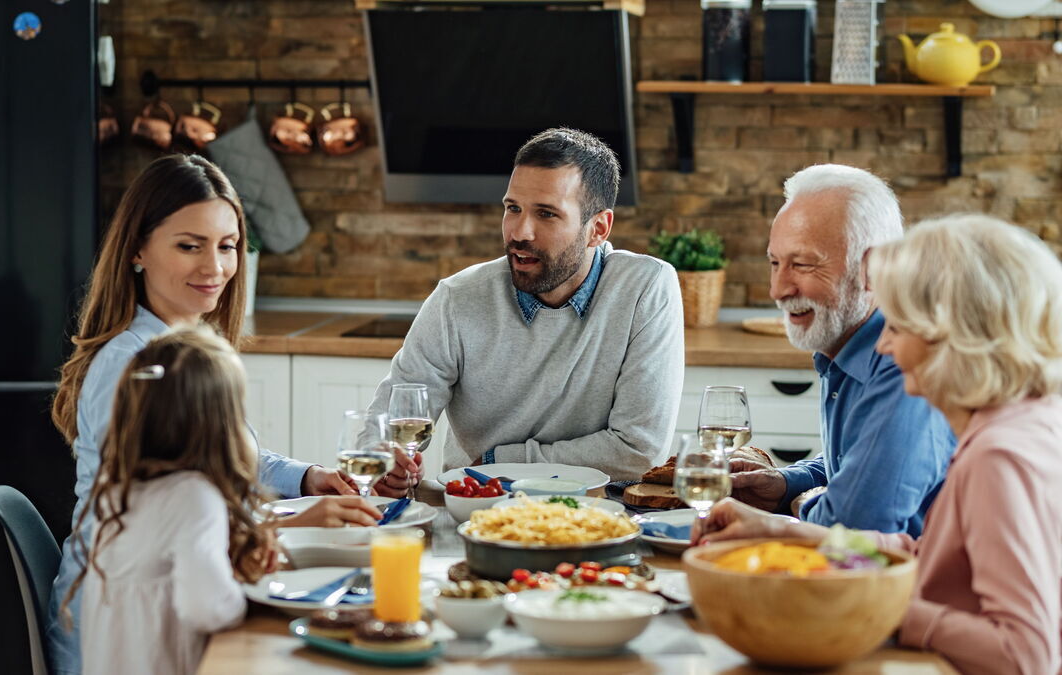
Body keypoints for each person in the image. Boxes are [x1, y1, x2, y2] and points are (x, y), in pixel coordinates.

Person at [46, 155, 385, 674]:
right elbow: (161, 518)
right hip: (121, 633)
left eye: (227, 246)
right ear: (137, 248)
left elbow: (225, 457)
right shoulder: (136, 367)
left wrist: (308, 479)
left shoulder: (180, 345)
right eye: (190, 245)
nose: (215, 267)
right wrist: (294, 521)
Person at [693, 214, 1062, 675]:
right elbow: (922, 555)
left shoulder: (999, 456)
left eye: (898, 326)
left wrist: (880, 609)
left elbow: (1025, 655)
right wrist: (784, 532)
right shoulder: (1017, 422)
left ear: (953, 337)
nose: (884, 345)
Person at [367, 127, 684, 489]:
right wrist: (386, 463)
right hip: (475, 510)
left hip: (600, 516)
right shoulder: (457, 297)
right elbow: (390, 423)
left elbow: (639, 452)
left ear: (598, 228)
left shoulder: (645, 287)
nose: (520, 232)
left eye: (546, 214)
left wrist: (497, 461)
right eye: (513, 208)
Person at [730, 164, 954, 535]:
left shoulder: (904, 363)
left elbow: (851, 524)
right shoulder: (847, 345)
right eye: (775, 263)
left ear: (874, 269)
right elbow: (859, 460)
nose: (778, 289)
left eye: (801, 264)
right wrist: (787, 484)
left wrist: (807, 504)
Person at [62, 325, 276, 675]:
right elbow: (208, 609)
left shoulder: (116, 486)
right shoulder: (193, 496)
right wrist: (247, 592)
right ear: (219, 427)